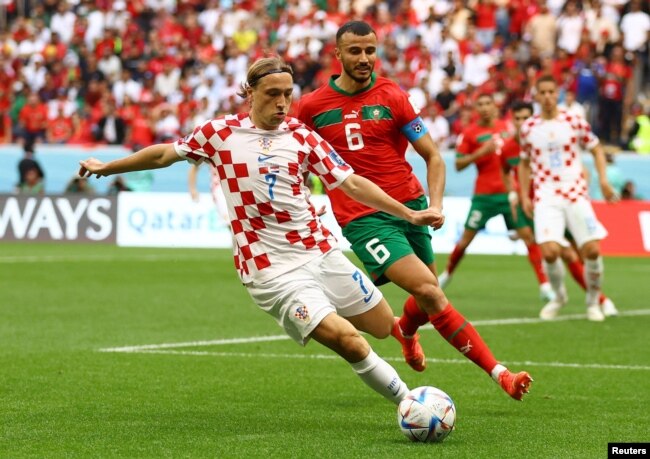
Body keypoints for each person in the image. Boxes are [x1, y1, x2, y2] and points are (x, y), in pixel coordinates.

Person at [77, 56, 445, 407]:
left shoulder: (302, 136)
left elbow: (352, 184)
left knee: (382, 326)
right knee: (348, 340)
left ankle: (403, 336)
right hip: (271, 271)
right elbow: (162, 155)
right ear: (250, 93)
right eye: (273, 94)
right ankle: (412, 403)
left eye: (288, 94)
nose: (282, 103)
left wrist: (408, 215)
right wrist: (107, 168)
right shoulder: (219, 133)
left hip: (319, 252)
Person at [296, 21, 532, 401]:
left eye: (370, 51)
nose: (364, 58)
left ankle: (405, 331)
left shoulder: (393, 95)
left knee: (427, 295)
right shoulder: (311, 107)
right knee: (429, 291)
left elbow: (434, 157)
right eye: (355, 51)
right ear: (337, 54)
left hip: (413, 206)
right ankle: (500, 373)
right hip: (363, 217)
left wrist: (435, 204)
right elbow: (299, 164)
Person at [503, 100, 618, 318]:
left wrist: (599, 179)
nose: (521, 122)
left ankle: (595, 301)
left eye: (550, 92)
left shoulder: (570, 122)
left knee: (589, 250)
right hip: (545, 199)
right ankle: (558, 295)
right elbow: (516, 166)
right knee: (550, 251)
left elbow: (591, 149)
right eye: (517, 118)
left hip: (574, 195)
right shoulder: (521, 137)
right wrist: (517, 194)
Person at [438, 93, 553, 303]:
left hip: (510, 194)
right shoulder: (470, 133)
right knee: (465, 239)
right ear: (475, 109)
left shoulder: (508, 128)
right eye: (480, 104)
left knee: (528, 236)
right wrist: (481, 152)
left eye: (487, 103)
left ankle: (545, 285)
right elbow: (458, 164)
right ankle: (447, 274)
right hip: (484, 196)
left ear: (495, 106)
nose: (484, 107)